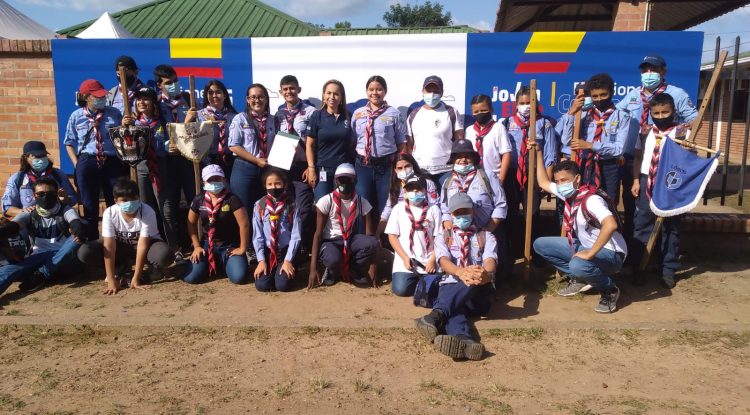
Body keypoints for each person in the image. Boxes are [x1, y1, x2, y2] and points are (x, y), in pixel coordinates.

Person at [617, 54, 698, 254]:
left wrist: (683, 136)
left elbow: (695, 120)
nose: (649, 74)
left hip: (665, 162)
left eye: (653, 70)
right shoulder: (634, 95)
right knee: (634, 209)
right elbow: (617, 114)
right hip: (638, 160)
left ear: (663, 72)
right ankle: (635, 254)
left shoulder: (676, 94)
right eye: (645, 70)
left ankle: (662, 257)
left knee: (667, 213)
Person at [531, 148, 627, 313]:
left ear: (577, 179)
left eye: (564, 180)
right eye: (558, 181)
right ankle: (583, 277)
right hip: (587, 247)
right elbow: (543, 182)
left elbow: (611, 225)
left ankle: (609, 289)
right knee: (540, 245)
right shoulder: (569, 194)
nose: (560, 185)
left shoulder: (591, 200)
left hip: (612, 253)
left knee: (577, 265)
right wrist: (539, 152)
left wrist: (589, 254)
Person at [414, 192, 496, 361]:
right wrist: (460, 272)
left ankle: (436, 315)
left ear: (473, 212)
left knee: (474, 274)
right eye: (457, 213)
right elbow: (443, 261)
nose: (462, 216)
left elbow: (490, 261)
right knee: (454, 307)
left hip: (478, 293)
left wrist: (484, 274)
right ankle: (465, 340)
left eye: (465, 211)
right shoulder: (444, 237)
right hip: (452, 288)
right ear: (451, 215)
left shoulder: (486, 236)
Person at [77, 179, 175, 295]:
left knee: (164, 254)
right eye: (124, 200)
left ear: (139, 197)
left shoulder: (147, 211)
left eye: (133, 199)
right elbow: (109, 246)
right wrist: (111, 278)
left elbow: (142, 245)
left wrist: (136, 277)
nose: (129, 203)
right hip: (121, 248)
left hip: (146, 246)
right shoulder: (109, 213)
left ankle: (149, 272)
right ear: (116, 201)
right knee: (85, 251)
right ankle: (120, 267)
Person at [630, 93, 684, 288]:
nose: (661, 116)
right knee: (642, 223)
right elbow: (637, 158)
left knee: (671, 227)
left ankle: (667, 269)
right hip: (646, 180)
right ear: (651, 113)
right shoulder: (645, 132)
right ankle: (640, 267)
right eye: (657, 113)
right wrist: (636, 180)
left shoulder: (681, 133)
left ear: (673, 111)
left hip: (671, 183)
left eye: (665, 112)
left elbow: (688, 161)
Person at [64, 79, 127, 240]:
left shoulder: (114, 113)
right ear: (86, 97)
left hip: (110, 159)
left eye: (102, 96)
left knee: (115, 201)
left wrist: (126, 126)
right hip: (87, 159)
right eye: (97, 97)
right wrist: (77, 164)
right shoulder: (76, 116)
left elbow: (123, 137)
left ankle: (118, 240)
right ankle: (91, 243)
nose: (101, 99)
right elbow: (69, 143)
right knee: (89, 204)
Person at [0, 178, 85, 297]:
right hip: (38, 257)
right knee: (8, 270)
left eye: (49, 194)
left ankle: (43, 273)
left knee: (75, 239)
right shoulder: (30, 213)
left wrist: (77, 228)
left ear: (56, 194)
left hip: (64, 258)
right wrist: (5, 230)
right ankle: (40, 274)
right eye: (40, 194)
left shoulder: (65, 209)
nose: (45, 197)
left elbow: (74, 221)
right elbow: (16, 225)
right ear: (34, 196)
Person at [501, 86, 557, 266]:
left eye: (529, 103)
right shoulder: (507, 123)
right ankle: (510, 250)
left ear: (536, 104)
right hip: (512, 174)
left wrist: (546, 180)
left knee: (531, 214)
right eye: (522, 103)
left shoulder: (544, 123)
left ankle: (534, 252)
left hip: (534, 174)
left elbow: (550, 153)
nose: (525, 106)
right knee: (509, 213)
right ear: (516, 104)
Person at [559, 73, 632, 205]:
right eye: (595, 96)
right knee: (584, 202)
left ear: (612, 92)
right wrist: (571, 113)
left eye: (603, 95)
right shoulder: (583, 115)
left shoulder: (622, 117)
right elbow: (566, 140)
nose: (599, 99)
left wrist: (590, 145)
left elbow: (619, 149)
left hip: (609, 167)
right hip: (585, 165)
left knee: (608, 203)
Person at [124, 87, 180, 252]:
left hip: (161, 167)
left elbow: (173, 141)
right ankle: (149, 249)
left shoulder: (163, 121)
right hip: (141, 167)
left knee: (166, 210)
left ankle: (174, 248)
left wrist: (171, 147)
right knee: (145, 209)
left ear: (154, 103)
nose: (141, 102)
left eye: (146, 99)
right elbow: (125, 149)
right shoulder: (132, 123)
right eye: (139, 99)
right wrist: (124, 129)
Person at [307, 163, 379, 289]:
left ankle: (354, 269)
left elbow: (369, 235)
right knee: (333, 259)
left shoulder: (361, 202)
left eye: (349, 179)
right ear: (335, 181)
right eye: (341, 179)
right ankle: (331, 270)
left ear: (355, 181)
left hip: (350, 239)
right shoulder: (326, 201)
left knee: (373, 243)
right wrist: (312, 269)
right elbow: (318, 234)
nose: (345, 183)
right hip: (331, 241)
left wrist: (372, 266)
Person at [352, 75, 408, 220]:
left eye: (379, 89)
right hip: (363, 165)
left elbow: (402, 142)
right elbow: (353, 139)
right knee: (363, 204)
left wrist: (400, 164)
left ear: (385, 91)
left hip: (386, 165)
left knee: (387, 205)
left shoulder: (394, 114)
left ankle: (385, 240)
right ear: (366, 91)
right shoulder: (357, 114)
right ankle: (364, 240)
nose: (374, 93)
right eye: (371, 89)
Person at [182, 165, 250, 285]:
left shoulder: (232, 199)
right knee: (191, 278)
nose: (214, 182)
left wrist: (242, 248)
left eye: (217, 179)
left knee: (239, 277)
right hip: (207, 246)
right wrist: (197, 246)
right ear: (204, 182)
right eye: (210, 180)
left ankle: (225, 263)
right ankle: (215, 264)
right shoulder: (199, 199)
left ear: (224, 180)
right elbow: (191, 223)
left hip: (229, 246)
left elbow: (244, 225)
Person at [274, 75, 316, 251]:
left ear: (299, 89)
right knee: (286, 208)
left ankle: (303, 245)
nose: (289, 92)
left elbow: (315, 141)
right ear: (281, 92)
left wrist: (310, 165)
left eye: (292, 88)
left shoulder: (311, 111)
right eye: (285, 89)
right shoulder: (278, 113)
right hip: (283, 167)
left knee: (304, 208)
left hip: (302, 167)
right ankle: (288, 245)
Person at [385, 177, 441, 297]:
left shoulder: (434, 209)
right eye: (411, 189)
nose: (414, 193)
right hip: (406, 260)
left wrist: (432, 259)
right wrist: (405, 257)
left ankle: (423, 282)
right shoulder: (398, 209)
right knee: (401, 290)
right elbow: (392, 236)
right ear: (405, 192)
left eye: (418, 189)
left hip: (428, 260)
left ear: (425, 191)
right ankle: (418, 282)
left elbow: (438, 237)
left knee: (433, 290)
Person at [407, 75, 464, 186]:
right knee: (423, 203)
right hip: (421, 170)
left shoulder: (452, 112)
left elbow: (460, 141)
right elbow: (409, 144)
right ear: (423, 91)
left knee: (447, 202)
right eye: (428, 90)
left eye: (436, 90)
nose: (432, 94)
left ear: (442, 92)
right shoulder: (413, 114)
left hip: (446, 170)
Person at [228, 83, 277, 210]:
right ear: (248, 100)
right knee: (244, 209)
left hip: (267, 170)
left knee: (265, 208)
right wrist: (256, 160)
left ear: (266, 99)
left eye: (261, 97)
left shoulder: (274, 120)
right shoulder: (240, 118)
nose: (257, 100)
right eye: (253, 97)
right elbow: (233, 146)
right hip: (244, 169)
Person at [252, 168, 302, 292]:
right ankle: (274, 273)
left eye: (278, 183)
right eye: (270, 184)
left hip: (286, 251)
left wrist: (288, 260)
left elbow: (296, 235)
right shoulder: (260, 205)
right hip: (269, 252)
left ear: (284, 184)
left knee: (282, 285)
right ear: (265, 186)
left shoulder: (292, 205)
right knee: (262, 285)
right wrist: (261, 260)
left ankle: (290, 269)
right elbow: (257, 235)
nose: (274, 187)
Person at [305, 80, 355, 201]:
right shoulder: (317, 116)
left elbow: (353, 143)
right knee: (322, 206)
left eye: (336, 94)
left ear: (342, 97)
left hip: (344, 170)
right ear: (323, 95)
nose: (332, 97)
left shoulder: (348, 115)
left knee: (343, 205)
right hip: (323, 170)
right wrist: (311, 168)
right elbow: (310, 145)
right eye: (329, 93)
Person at [2, 141, 77, 218]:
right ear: (26, 157)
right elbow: (7, 208)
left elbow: (73, 199)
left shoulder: (58, 175)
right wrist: (24, 211)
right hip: (29, 222)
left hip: (56, 219)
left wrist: (65, 199)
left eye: (43, 155)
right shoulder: (17, 178)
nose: (41, 159)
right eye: (36, 156)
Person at [378, 152, 439, 240]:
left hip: (424, 225)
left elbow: (435, 206)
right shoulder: (396, 187)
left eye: (407, 166)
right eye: (400, 168)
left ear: (413, 165)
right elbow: (387, 210)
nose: (404, 170)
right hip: (402, 228)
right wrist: (377, 234)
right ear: (395, 170)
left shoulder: (427, 183)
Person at [195, 80, 238, 174]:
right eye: (210, 93)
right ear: (206, 95)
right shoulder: (198, 115)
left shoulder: (235, 116)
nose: (214, 95)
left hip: (230, 160)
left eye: (218, 92)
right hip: (208, 161)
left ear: (225, 95)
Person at [465, 94, 511, 183]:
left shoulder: (498, 128)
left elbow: (506, 154)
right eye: (476, 112)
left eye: (483, 110)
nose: (480, 114)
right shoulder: (469, 130)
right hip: (473, 177)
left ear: (491, 110)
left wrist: (500, 179)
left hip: (493, 177)